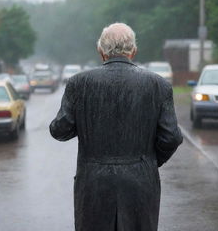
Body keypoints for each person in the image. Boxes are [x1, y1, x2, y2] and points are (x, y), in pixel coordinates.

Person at [49, 23, 183, 231]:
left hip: (93, 183)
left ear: (101, 51)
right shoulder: (159, 85)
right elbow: (172, 137)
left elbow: (60, 130)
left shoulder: (78, 83)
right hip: (140, 181)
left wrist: (83, 119)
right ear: (134, 51)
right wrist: (148, 161)